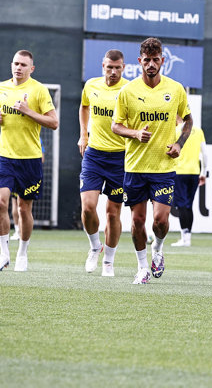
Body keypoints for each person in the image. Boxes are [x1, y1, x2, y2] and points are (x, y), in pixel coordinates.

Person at [112, 37, 191, 285]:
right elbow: (116, 125)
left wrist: (179, 144)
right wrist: (135, 133)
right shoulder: (128, 91)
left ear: (162, 61)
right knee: (136, 221)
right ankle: (142, 267)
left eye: (156, 60)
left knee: (160, 220)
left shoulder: (175, 89)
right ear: (140, 61)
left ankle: (158, 249)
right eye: (146, 60)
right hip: (135, 167)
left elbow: (188, 120)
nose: (151, 65)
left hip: (163, 168)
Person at [0, 50, 58, 272]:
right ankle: (3, 254)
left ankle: (22, 253)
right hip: (4, 156)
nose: (18, 68)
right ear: (11, 65)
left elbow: (53, 122)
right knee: (0, 202)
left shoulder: (39, 90)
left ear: (32, 68)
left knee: (23, 209)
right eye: (16, 63)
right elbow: (0, 114)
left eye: (23, 65)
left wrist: (28, 111)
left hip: (30, 159)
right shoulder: (1, 88)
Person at [77, 49, 128, 277]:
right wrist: (84, 135)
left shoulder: (130, 90)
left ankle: (108, 260)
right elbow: (84, 106)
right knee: (88, 207)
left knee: (113, 213)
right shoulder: (91, 85)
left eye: (118, 68)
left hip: (120, 158)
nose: (114, 71)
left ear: (124, 68)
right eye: (110, 67)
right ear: (103, 66)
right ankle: (95, 246)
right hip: (94, 155)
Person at [171, 114, 208, 248]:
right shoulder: (198, 130)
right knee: (188, 205)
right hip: (194, 172)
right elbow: (205, 153)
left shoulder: (174, 131)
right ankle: (187, 237)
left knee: (182, 206)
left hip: (179, 172)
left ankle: (184, 237)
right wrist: (203, 172)